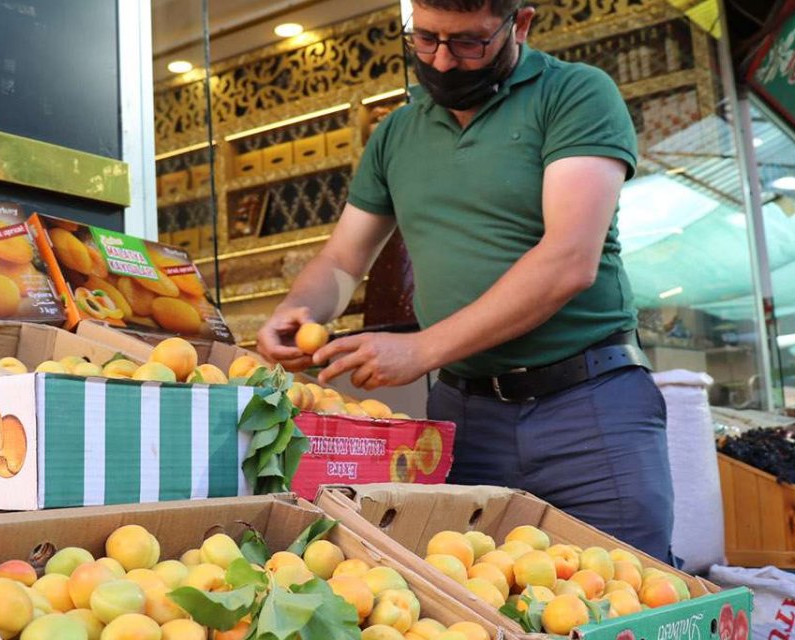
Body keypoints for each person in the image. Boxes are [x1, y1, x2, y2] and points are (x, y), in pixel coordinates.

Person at [256, 0, 673, 562]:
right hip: (464, 414)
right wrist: (300, 309)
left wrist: (422, 348)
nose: (443, 61)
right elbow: (343, 260)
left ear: (520, 23)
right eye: (426, 39)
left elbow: (569, 258)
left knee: (631, 586)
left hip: (587, 406)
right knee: (466, 589)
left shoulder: (574, 93)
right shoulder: (396, 133)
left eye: (468, 43)